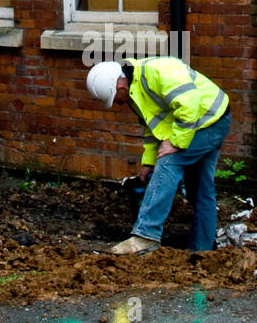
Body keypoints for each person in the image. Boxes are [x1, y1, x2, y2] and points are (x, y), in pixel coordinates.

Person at [86, 55, 231, 253]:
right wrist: (148, 163)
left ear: (120, 87)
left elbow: (190, 105)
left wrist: (176, 143)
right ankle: (202, 250)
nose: (117, 104)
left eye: (115, 100)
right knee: (200, 189)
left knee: (169, 162)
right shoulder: (134, 90)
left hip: (209, 120)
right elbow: (154, 127)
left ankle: (146, 235)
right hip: (205, 120)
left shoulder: (159, 72)